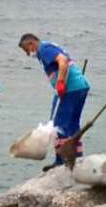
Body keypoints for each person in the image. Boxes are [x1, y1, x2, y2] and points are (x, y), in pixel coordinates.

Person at [18, 34, 90, 171]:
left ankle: (61, 161)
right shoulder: (49, 46)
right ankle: (78, 157)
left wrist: (61, 82)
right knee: (73, 125)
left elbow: (62, 61)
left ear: (31, 44)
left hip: (70, 88)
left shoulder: (43, 48)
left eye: (26, 50)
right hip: (80, 86)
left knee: (57, 126)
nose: (28, 54)